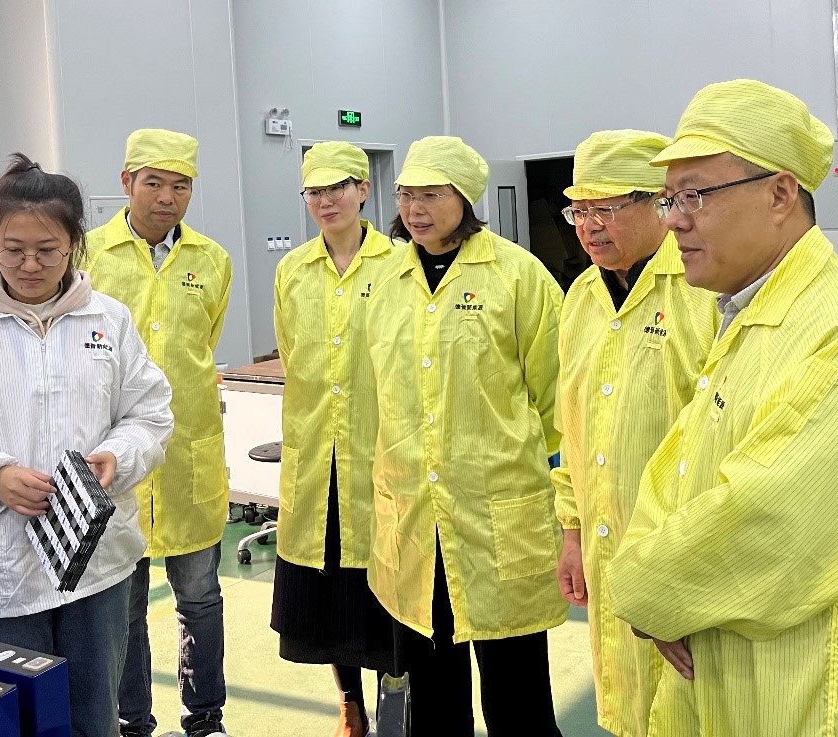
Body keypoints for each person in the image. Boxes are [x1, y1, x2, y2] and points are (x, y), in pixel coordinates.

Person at [607, 80, 838, 736]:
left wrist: (642, 589)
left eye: (695, 195)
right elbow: (674, 475)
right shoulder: (747, 316)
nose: (673, 219)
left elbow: (766, 526)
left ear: (779, 194)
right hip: (739, 688)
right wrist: (650, 581)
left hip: (822, 701)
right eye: (669, 198)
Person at [0, 154, 173, 737]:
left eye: (48, 250)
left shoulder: (110, 323)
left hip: (96, 565)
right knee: (11, 724)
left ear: (75, 245)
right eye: (13, 249)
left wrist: (116, 457)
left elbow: (150, 415)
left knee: (94, 718)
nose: (30, 265)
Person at [366, 136, 565, 736]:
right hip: (413, 517)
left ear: (465, 198)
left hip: (496, 514)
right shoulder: (386, 280)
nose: (414, 209)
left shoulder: (517, 275)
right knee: (432, 700)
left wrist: (497, 456)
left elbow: (556, 395)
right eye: (406, 194)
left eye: (431, 195)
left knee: (518, 699)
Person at [551, 130, 719, 737]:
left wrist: (681, 574)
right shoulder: (581, 298)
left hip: (686, 556)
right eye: (578, 210)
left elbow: (724, 443)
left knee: (693, 709)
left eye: (607, 208)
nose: (589, 227)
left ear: (658, 204)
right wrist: (573, 532)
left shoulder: (703, 291)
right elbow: (571, 426)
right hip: (606, 544)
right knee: (626, 703)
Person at [84, 129, 233, 737]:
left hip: (188, 452)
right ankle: (132, 723)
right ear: (126, 182)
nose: (167, 198)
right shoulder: (89, 255)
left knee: (200, 598)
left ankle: (205, 719)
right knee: (124, 607)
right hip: (114, 457)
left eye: (180, 186)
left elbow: (204, 344)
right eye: (154, 183)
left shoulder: (211, 260)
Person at [270, 141, 400, 736]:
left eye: (338, 188)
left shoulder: (397, 265)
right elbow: (293, 353)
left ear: (363, 190)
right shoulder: (292, 270)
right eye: (315, 191)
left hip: (381, 452)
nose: (326, 201)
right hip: (317, 455)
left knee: (390, 584)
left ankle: (396, 693)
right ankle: (350, 702)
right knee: (330, 595)